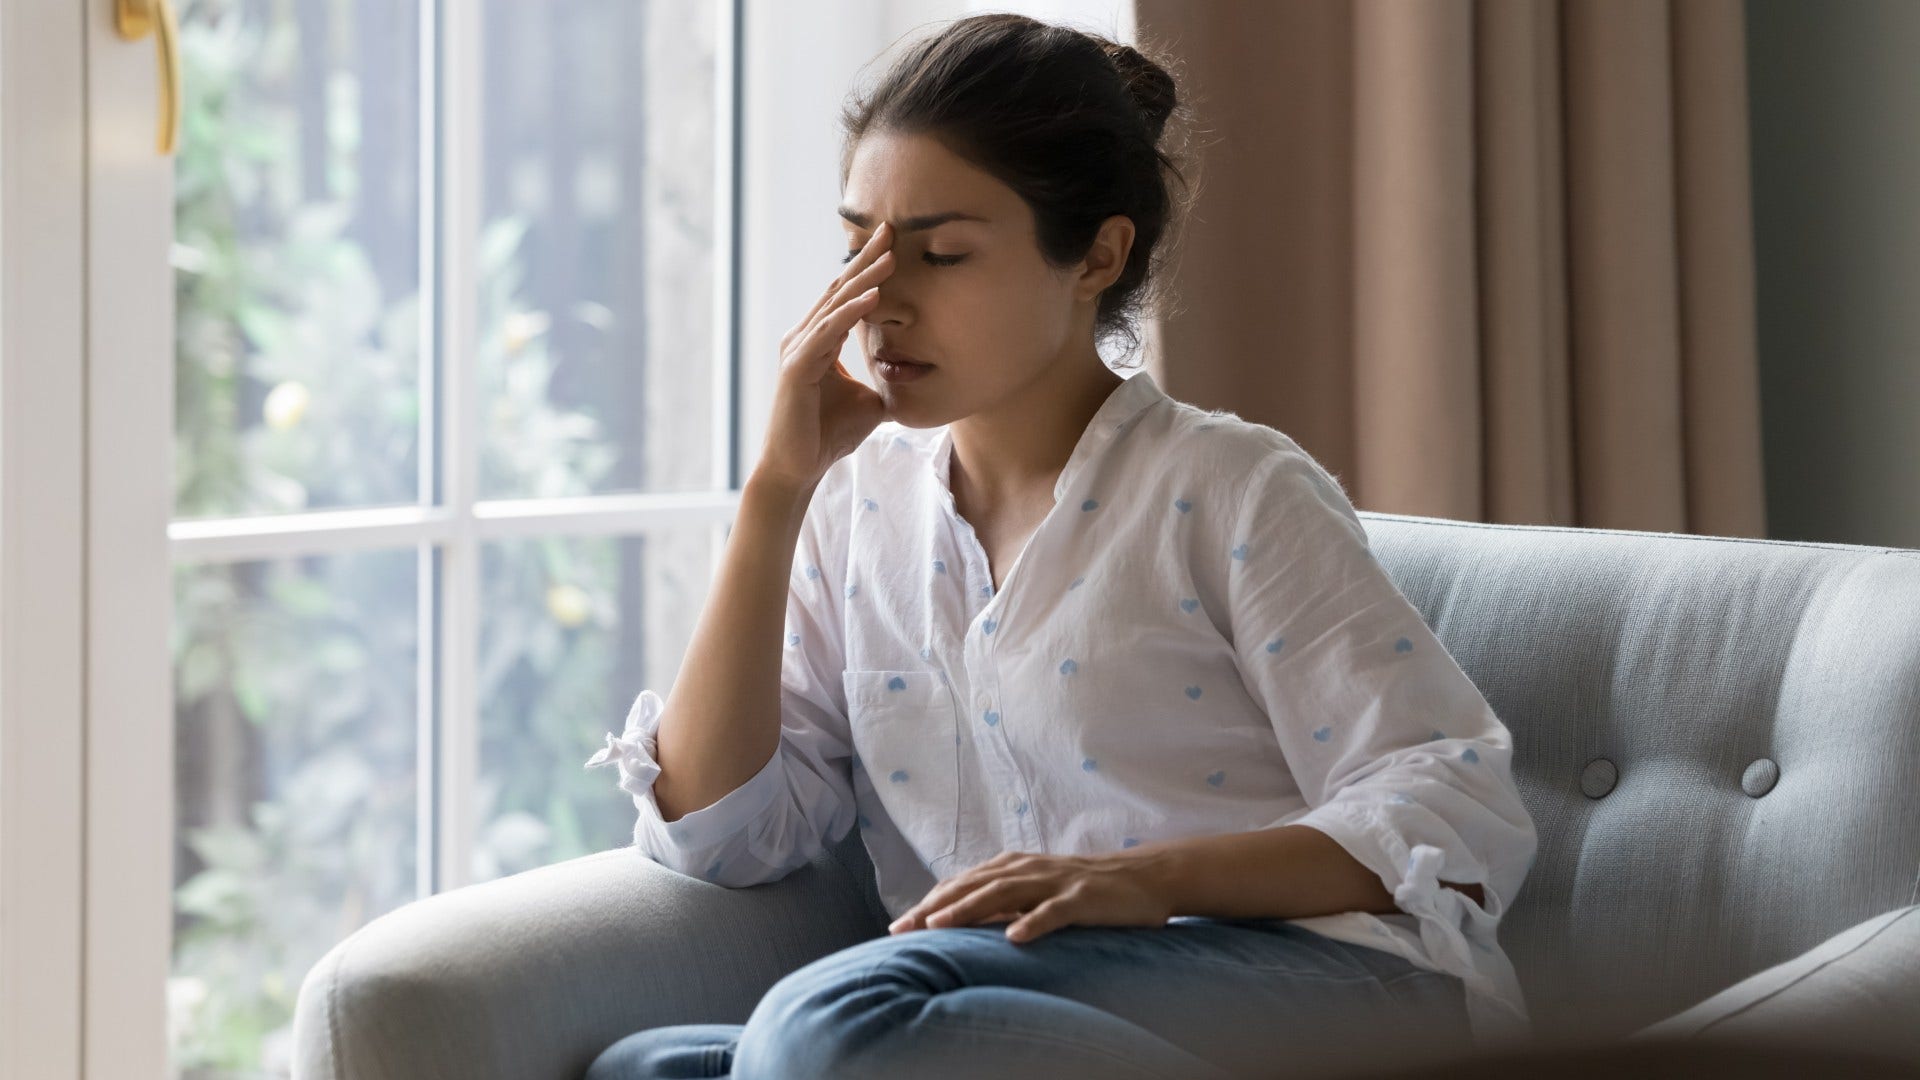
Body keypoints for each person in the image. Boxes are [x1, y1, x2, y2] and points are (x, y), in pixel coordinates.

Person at [583, 12, 1537, 1080]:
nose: (878, 302)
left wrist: (1147, 883)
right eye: (858, 249)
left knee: (831, 1028)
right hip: (1019, 1003)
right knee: (646, 1068)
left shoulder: (1231, 489)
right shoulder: (855, 510)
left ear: (1097, 255)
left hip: (1324, 982)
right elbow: (720, 836)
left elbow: (1454, 808)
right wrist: (776, 491)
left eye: (941, 254)